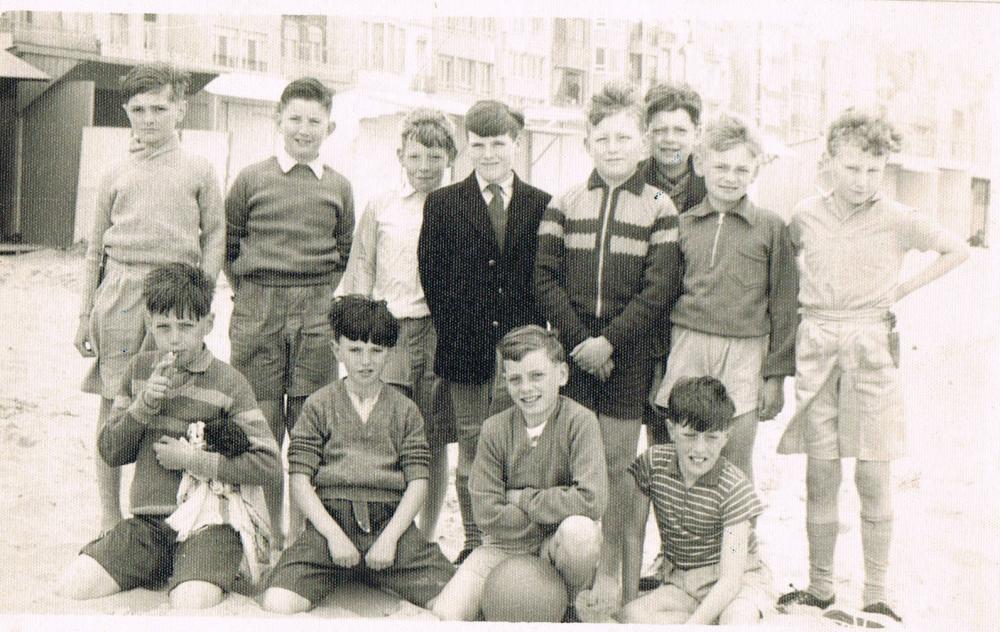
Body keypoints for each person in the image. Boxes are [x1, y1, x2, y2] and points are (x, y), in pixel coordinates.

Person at [776, 108, 970, 624]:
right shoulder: (804, 216)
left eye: (873, 170)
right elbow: (786, 269)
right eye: (852, 168)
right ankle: (820, 586)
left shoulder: (899, 217)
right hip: (817, 347)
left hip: (870, 348)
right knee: (821, 476)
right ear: (829, 163)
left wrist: (900, 291)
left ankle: (877, 592)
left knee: (873, 476)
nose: (863, 180)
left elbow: (956, 249)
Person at [533, 81, 682, 614]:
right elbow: (545, 278)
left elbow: (659, 288)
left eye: (624, 137)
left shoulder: (661, 208)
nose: (613, 147)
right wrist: (579, 342)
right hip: (574, 355)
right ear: (587, 142)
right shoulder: (564, 202)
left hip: (627, 355)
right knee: (571, 462)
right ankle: (571, 573)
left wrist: (610, 341)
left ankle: (615, 574)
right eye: (603, 137)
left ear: (642, 143)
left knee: (618, 465)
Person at [57, 264, 279, 608]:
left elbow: (268, 464)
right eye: (163, 327)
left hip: (209, 526)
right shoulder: (140, 370)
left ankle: (199, 571)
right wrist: (143, 406)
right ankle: (170, 569)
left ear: (208, 323)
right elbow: (111, 451)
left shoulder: (229, 382)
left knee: (191, 601)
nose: (175, 339)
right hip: (148, 526)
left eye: (187, 326)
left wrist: (193, 460)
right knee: (75, 585)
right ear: (149, 323)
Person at [73, 63, 225, 534]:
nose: (149, 118)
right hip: (119, 295)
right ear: (126, 112)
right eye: (138, 110)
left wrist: (198, 296)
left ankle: (167, 511)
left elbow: (215, 233)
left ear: (180, 109)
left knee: (172, 398)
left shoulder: (200, 168)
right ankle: (108, 513)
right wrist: (84, 315)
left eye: (160, 108)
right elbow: (95, 247)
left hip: (175, 295)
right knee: (117, 402)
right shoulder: (115, 170)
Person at [418, 100, 552, 563]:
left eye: (499, 143)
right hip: (466, 348)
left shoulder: (540, 204)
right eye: (479, 145)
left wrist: (527, 340)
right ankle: (475, 540)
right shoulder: (443, 203)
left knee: (521, 442)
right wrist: (465, 332)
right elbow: (433, 279)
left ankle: (518, 541)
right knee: (473, 446)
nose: (489, 154)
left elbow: (544, 278)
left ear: (516, 144)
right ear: (467, 148)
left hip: (520, 349)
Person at [260, 296, 454, 614]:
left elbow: (419, 481)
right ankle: (351, 572)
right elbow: (299, 479)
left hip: (390, 522)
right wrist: (334, 537)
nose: (366, 361)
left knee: (451, 601)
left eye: (377, 351)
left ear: (390, 353)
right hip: (331, 521)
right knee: (278, 602)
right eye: (355, 350)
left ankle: (371, 572)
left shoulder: (405, 410)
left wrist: (391, 539)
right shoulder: (319, 404)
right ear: (337, 350)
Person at [225, 77, 354, 551]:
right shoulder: (251, 178)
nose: (304, 129)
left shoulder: (338, 185)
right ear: (277, 119)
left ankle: (302, 533)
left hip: (316, 309)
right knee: (261, 425)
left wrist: (315, 300)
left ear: (330, 126)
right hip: (258, 305)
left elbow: (344, 250)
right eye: (295, 118)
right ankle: (269, 529)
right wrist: (255, 294)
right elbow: (230, 241)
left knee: (306, 426)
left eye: (314, 121)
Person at [652, 113, 798, 482]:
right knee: (682, 451)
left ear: (755, 171)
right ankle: (682, 540)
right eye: (721, 167)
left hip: (745, 351)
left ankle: (736, 541)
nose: (730, 177)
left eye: (740, 169)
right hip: (688, 344)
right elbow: (664, 297)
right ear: (700, 164)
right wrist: (659, 364)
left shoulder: (770, 227)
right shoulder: (681, 224)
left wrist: (775, 376)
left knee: (735, 453)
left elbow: (783, 305)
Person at [336, 108, 458, 540]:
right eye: (415, 157)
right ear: (400, 157)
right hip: (392, 333)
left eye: (435, 157)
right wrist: (364, 337)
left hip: (441, 333)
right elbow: (361, 269)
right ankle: (387, 529)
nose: (424, 167)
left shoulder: (460, 206)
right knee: (387, 433)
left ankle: (425, 535)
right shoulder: (382, 206)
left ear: (450, 158)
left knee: (433, 439)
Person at [431, 325, 608, 621]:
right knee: (446, 614)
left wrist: (523, 500)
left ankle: (569, 602)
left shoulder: (581, 422)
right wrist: (548, 511)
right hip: (503, 546)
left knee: (580, 532)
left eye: (537, 376)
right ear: (505, 382)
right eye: (515, 379)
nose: (526, 388)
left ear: (562, 374)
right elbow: (486, 511)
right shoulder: (495, 428)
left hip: (555, 547)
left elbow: (591, 500)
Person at [618, 376, 772, 625]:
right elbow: (633, 533)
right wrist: (629, 599)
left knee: (737, 621)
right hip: (683, 580)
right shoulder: (652, 464)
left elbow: (731, 579)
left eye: (711, 437)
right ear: (671, 430)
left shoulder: (734, 488)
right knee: (631, 617)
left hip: (738, 581)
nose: (700, 449)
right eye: (690, 435)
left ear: (726, 436)